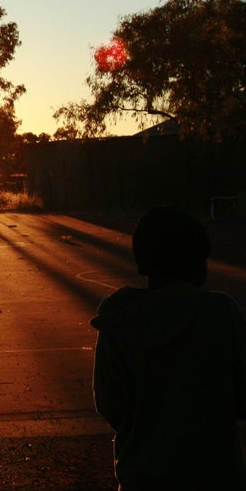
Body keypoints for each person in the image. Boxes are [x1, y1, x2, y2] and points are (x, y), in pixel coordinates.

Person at [91, 206, 246, 490]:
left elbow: (110, 404)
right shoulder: (221, 314)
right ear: (197, 261)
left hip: (143, 474)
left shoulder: (119, 320)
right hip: (216, 472)